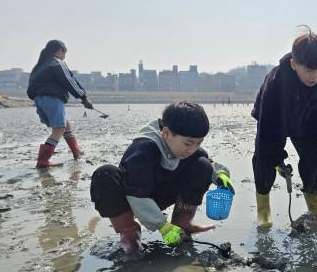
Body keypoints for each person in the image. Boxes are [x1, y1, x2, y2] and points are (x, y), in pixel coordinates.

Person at [90, 101, 234, 254]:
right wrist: (162, 226)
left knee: (203, 165)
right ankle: (129, 232)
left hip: (158, 195)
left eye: (198, 143)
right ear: (165, 133)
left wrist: (220, 175)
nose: (192, 149)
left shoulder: (187, 149)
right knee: (104, 174)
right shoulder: (142, 151)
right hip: (132, 196)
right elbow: (137, 196)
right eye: (188, 143)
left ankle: (182, 223)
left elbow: (209, 163)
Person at [251, 26, 317, 228]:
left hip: (307, 120)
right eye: (309, 70)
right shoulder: (276, 82)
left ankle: (315, 206)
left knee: (315, 156)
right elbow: (269, 127)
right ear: (294, 64)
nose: (314, 76)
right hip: (275, 119)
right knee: (264, 160)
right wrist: (276, 160)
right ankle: (263, 209)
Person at [27, 40, 93, 168]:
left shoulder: (39, 66)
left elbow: (31, 86)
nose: (65, 55)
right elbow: (69, 80)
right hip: (52, 99)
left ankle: (76, 152)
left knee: (65, 124)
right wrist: (84, 98)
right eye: (65, 51)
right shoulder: (57, 62)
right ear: (59, 50)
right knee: (58, 129)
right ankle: (43, 160)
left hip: (38, 100)